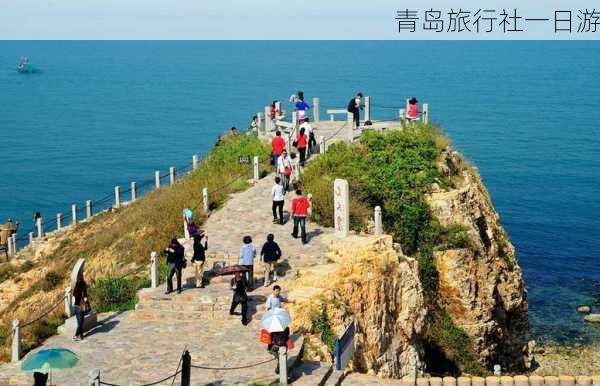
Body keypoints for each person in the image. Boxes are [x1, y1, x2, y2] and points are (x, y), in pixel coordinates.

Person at [72, 275, 88, 341]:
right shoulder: (83, 287)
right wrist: (86, 302)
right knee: (80, 323)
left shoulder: (75, 287)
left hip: (75, 307)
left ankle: (81, 335)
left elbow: (73, 297)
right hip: (81, 307)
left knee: (79, 322)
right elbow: (85, 298)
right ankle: (75, 335)